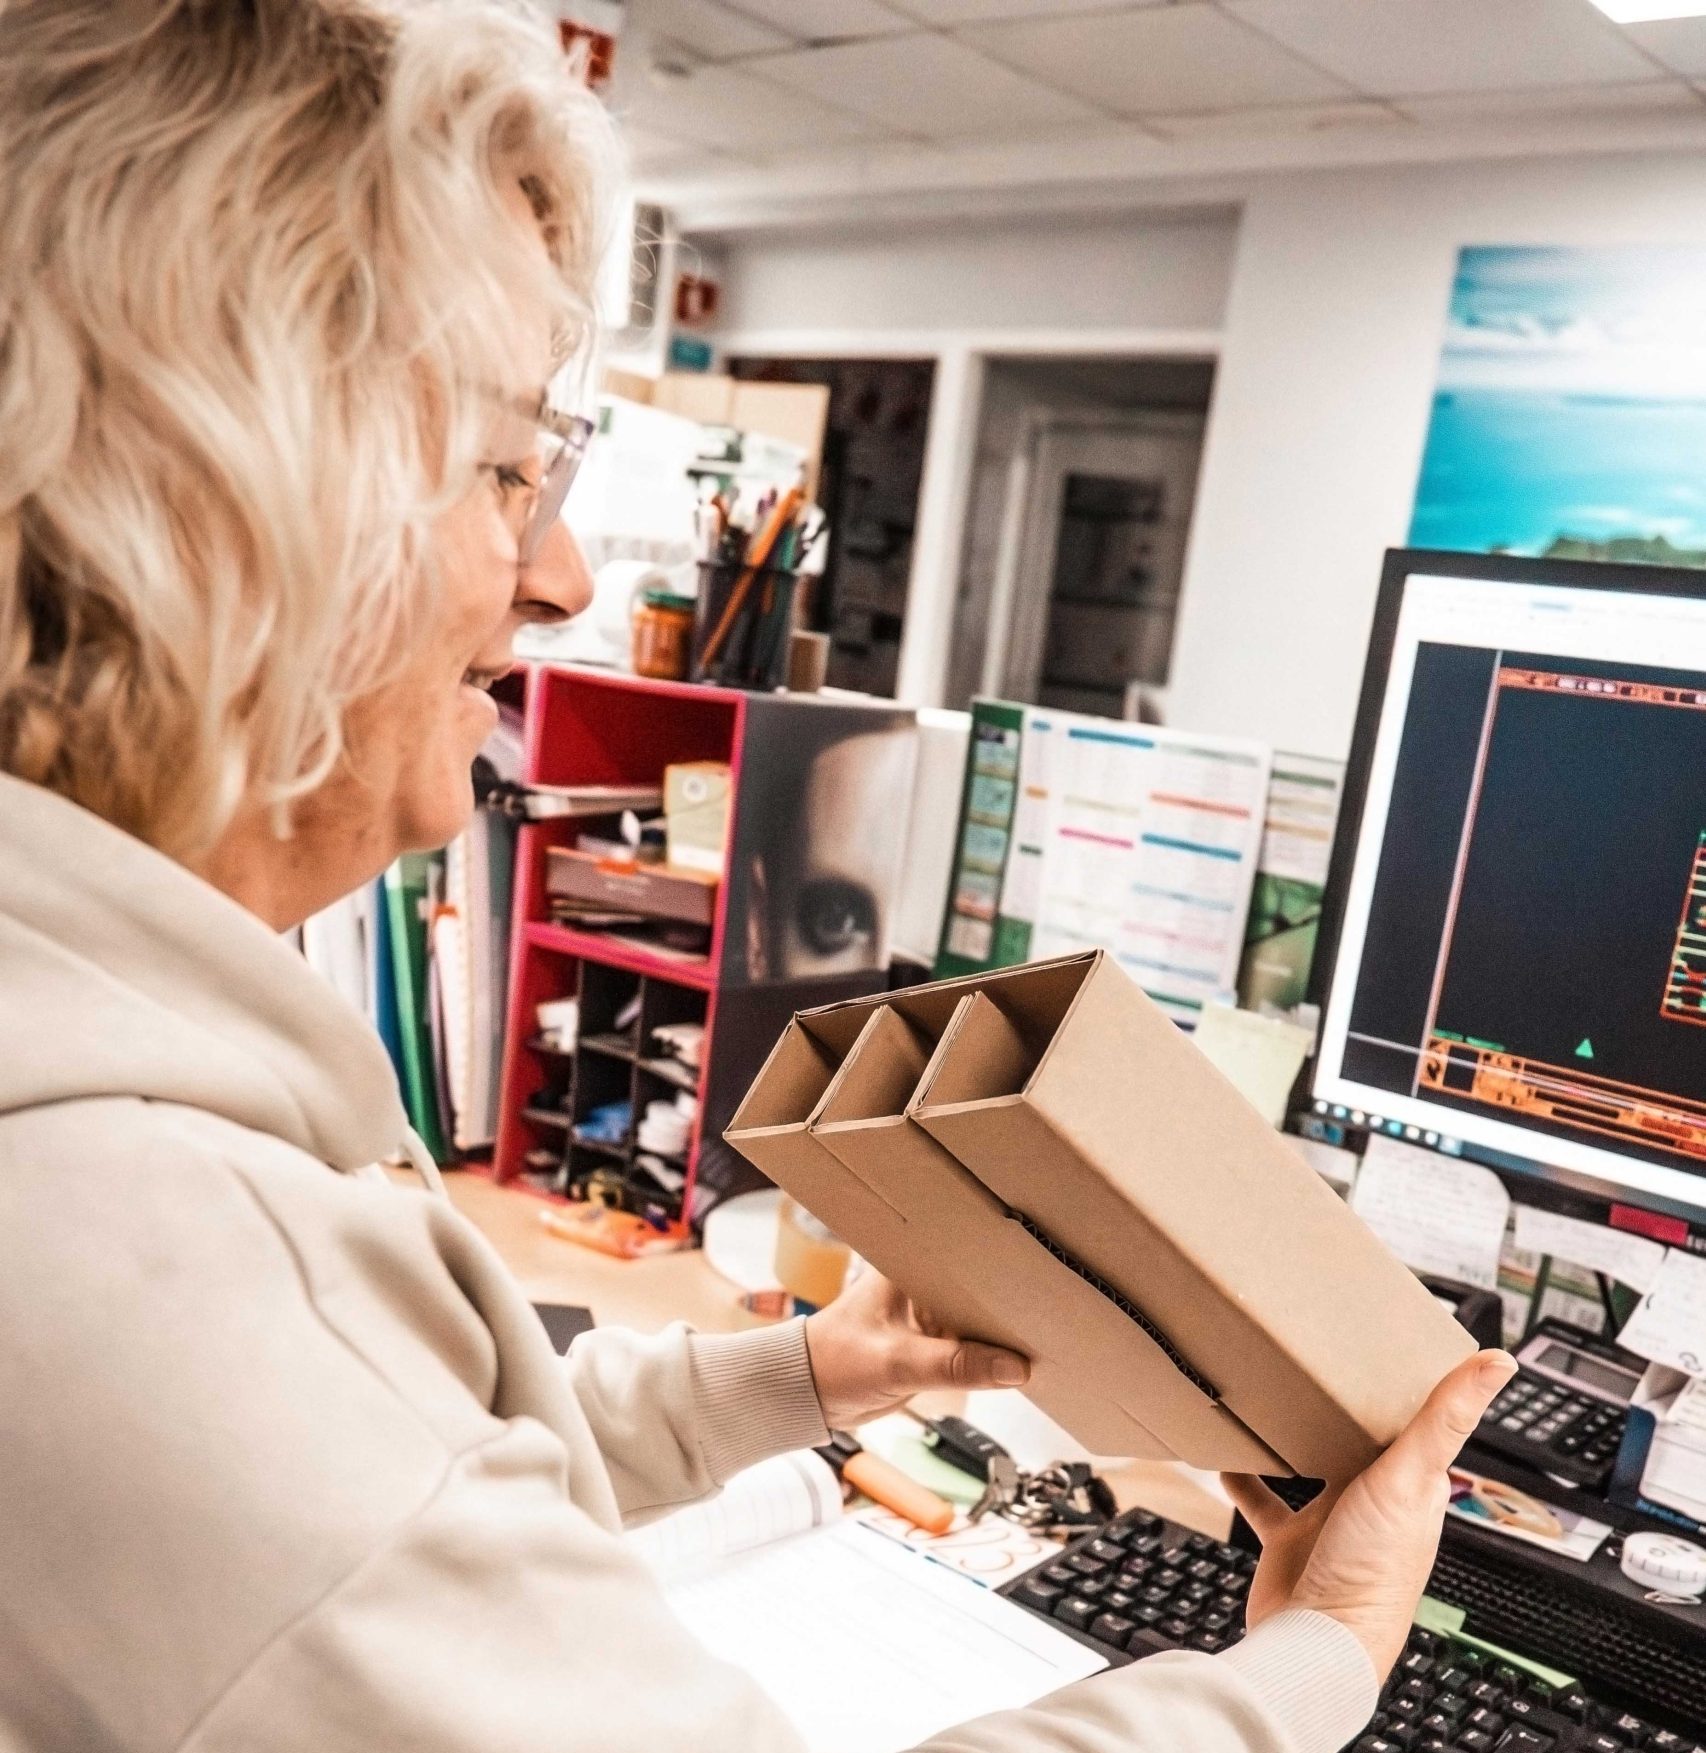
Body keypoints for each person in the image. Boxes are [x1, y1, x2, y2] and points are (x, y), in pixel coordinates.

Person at [0, 3, 1516, 1749]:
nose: (561, 572)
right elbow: (329, 1472)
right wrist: (1318, 1654)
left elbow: (401, 1482)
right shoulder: (160, 1253)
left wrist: (803, 1373)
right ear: (224, 504)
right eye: (507, 471)